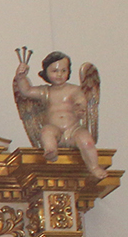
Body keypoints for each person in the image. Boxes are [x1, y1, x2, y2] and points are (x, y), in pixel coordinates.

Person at [13, 47, 108, 176]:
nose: (59, 74)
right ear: (46, 72)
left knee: (87, 141)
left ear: (68, 72)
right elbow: (27, 91)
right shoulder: (45, 91)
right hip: (55, 130)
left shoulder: (74, 90)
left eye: (63, 70)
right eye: (54, 70)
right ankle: (51, 151)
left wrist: (80, 108)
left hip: (73, 130)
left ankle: (94, 167)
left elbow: (81, 101)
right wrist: (21, 77)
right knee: (46, 132)